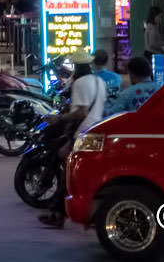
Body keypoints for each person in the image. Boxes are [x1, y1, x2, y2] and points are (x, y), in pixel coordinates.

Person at [38, 53, 106, 228]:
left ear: (76, 67)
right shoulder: (100, 82)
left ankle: (58, 214)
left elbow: (81, 113)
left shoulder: (80, 83)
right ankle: (61, 212)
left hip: (82, 134)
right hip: (96, 132)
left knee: (67, 174)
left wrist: (59, 119)